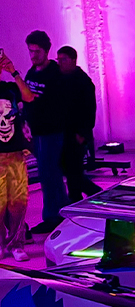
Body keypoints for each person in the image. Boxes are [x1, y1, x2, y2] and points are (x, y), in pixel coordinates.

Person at [24, 30, 69, 234]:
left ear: (46, 51)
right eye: (30, 51)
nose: (33, 55)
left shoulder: (55, 73)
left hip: (51, 131)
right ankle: (56, 214)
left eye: (37, 51)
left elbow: (59, 104)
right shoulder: (32, 73)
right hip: (37, 132)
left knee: (51, 173)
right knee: (47, 173)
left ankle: (55, 216)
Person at [0, 50, 34, 261]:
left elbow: (29, 96)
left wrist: (13, 72)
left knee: (18, 203)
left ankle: (16, 244)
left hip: (14, 154)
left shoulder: (10, 89)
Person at [57, 46, 102, 202]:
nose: (60, 63)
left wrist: (82, 134)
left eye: (63, 59)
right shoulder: (61, 79)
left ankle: (90, 194)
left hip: (77, 134)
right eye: (58, 59)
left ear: (73, 60)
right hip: (64, 132)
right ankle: (83, 197)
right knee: (71, 170)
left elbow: (90, 109)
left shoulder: (83, 82)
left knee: (73, 171)